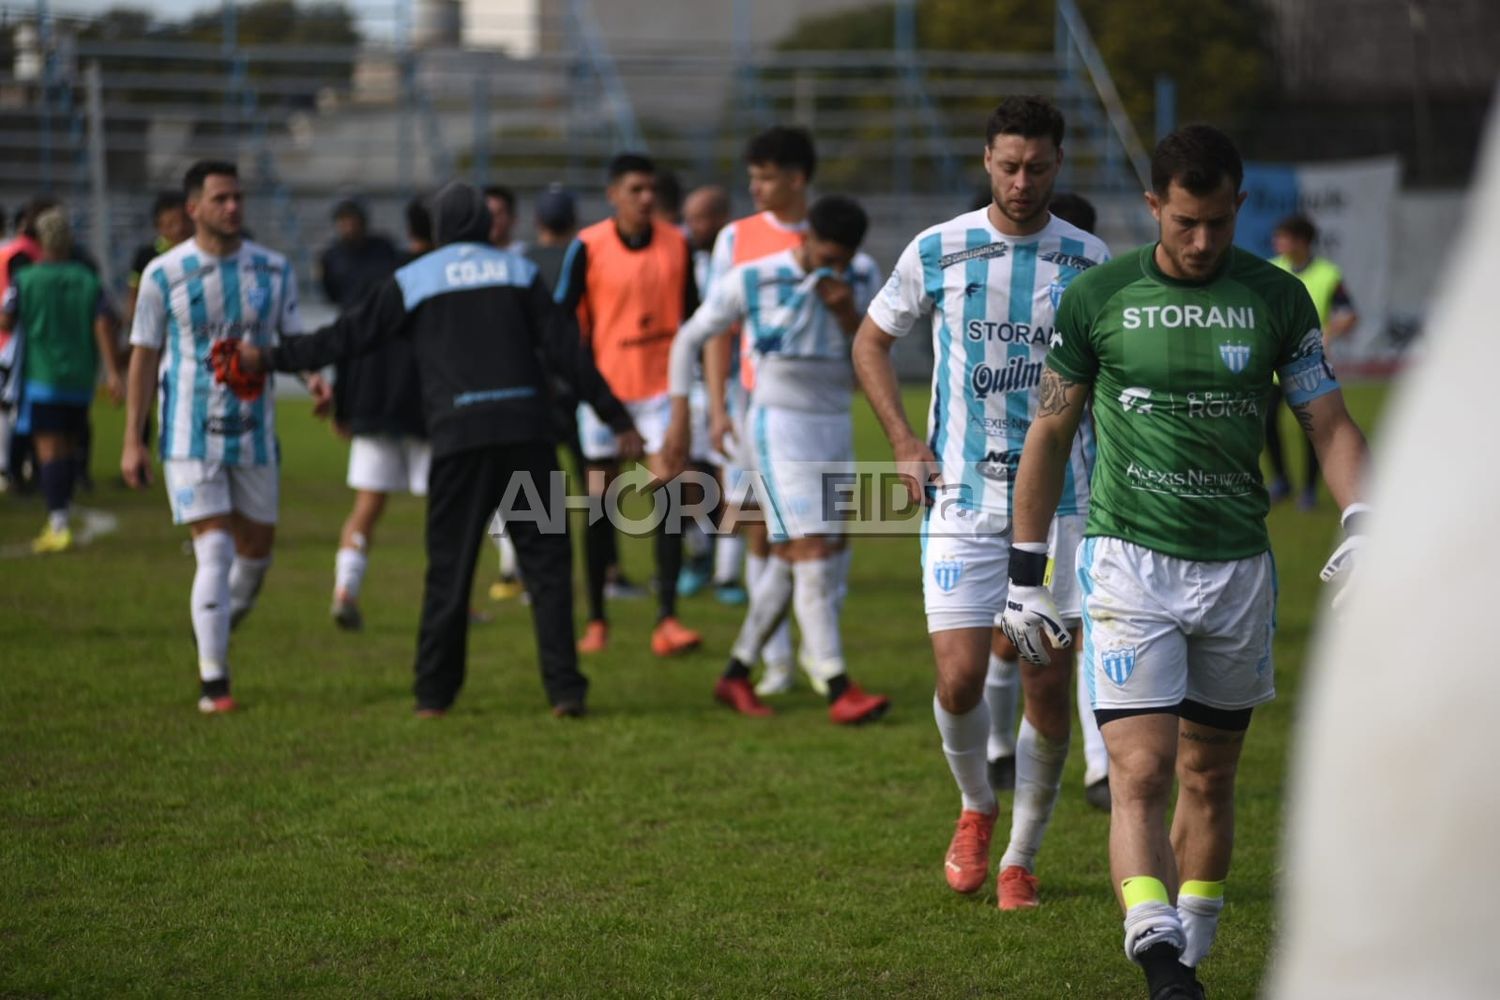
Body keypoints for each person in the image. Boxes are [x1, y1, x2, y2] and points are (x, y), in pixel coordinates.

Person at [999, 124, 1368, 998]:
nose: (1201, 243)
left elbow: (1330, 422)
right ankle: (1157, 950)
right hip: (1129, 564)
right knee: (1142, 769)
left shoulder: (1277, 298)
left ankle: (1189, 950)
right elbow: (1048, 435)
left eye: (1218, 224)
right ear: (1154, 207)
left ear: (1240, 207)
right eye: (1184, 223)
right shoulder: (1099, 298)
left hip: (1238, 569)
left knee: (1211, 772)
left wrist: (1363, 519)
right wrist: (1024, 575)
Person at [237, 181, 642, 718]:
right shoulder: (518, 273)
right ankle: (565, 690)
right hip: (527, 436)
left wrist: (268, 358)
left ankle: (434, 694)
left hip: (459, 440)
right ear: (485, 224)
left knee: (450, 569)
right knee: (546, 568)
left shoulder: (414, 279)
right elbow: (568, 351)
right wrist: (616, 416)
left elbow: (346, 337)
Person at [853, 96, 1110, 911]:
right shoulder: (940, 248)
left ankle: (1020, 859)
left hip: (1062, 507)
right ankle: (976, 806)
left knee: (1044, 685)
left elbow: (1118, 376)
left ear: (1058, 164)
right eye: (1008, 165)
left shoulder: (1091, 260)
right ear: (986, 159)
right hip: (962, 498)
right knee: (961, 680)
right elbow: (871, 340)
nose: (1022, 181)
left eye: (1037, 167)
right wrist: (902, 440)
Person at [661, 195, 890, 724]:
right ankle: (836, 684)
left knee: (809, 555)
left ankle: (735, 673)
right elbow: (690, 337)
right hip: (778, 425)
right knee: (808, 548)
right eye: (826, 256)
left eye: (842, 260)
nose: (834, 268)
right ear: (806, 237)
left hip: (834, 425)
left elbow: (874, 356)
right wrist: (683, 415)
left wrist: (844, 309)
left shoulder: (860, 275)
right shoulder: (754, 277)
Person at [122, 159, 332, 714]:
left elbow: (291, 337)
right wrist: (132, 439)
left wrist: (313, 378)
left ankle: (212, 626)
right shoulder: (163, 275)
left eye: (238, 197)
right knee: (212, 548)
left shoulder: (273, 269)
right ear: (193, 208)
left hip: (255, 434)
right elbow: (143, 356)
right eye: (221, 198)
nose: (233, 207)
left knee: (256, 557)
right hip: (188, 433)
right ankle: (215, 681)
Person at [984, 189, 1112, 813]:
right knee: (1012, 636)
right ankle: (994, 748)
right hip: (992, 486)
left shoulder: (1100, 294)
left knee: (1082, 628)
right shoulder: (1000, 293)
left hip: (1077, 489)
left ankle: (1099, 768)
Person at [553, 152, 702, 657]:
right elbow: (562, 324)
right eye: (635, 189)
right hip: (605, 394)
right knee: (600, 507)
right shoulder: (587, 246)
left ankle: (667, 620)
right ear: (613, 194)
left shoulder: (677, 243)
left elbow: (693, 319)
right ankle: (596, 619)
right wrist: (583, 390)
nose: (645, 198)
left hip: (662, 392)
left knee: (671, 498)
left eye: (650, 189)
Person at [705, 125, 818, 692]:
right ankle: (775, 661)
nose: (756, 188)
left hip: (817, 412)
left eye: (767, 177)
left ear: (797, 179)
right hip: (755, 406)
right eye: (752, 176)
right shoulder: (736, 238)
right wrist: (717, 406)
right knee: (760, 528)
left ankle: (816, 655)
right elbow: (716, 327)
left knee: (817, 535)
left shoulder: (828, 235)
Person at [319, 198, 415, 630]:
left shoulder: (365, 296)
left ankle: (346, 590)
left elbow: (345, 349)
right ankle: (462, 595)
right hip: (421, 415)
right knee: (454, 507)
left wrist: (343, 405)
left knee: (366, 507)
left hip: (373, 413)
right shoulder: (425, 289)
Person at [0, 208, 121, 550]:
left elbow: (7, 321)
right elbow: (104, 324)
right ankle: (63, 512)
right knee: (67, 447)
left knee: (49, 450)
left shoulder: (27, 280)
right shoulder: (88, 279)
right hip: (81, 378)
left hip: (43, 377)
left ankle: (58, 522)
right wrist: (113, 373)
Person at [1266, 213, 1359, 510]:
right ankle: (1281, 480)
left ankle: (1308, 490)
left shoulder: (1327, 274)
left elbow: (1349, 315)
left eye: (1284, 237)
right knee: (1267, 425)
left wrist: (1330, 332)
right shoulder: (1271, 270)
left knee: (1315, 429)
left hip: (1308, 365)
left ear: (1302, 241)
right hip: (1272, 364)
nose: (1277, 242)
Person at [126, 191, 192, 319]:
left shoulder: (203, 254)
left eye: (185, 221)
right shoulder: (146, 257)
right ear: (159, 226)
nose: (180, 229)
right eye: (171, 224)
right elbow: (134, 295)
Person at [484, 185, 521, 252]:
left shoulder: (525, 256)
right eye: (487, 214)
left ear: (513, 219)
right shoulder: (469, 257)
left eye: (498, 214)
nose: (492, 220)